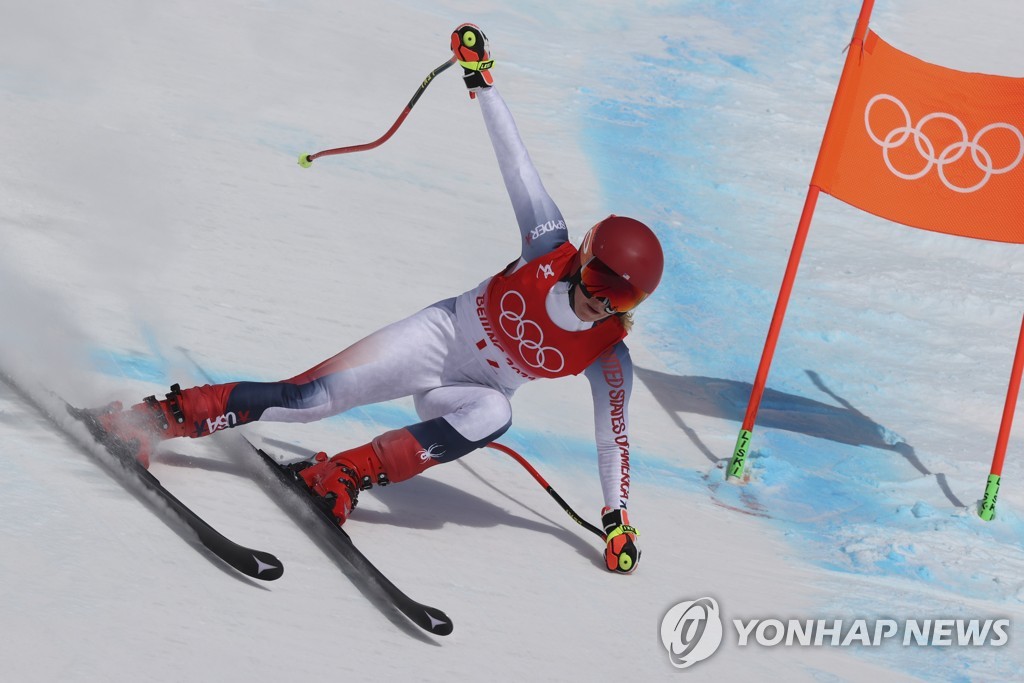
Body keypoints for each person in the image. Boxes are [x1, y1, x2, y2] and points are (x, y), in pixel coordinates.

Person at [97, 24, 663, 575]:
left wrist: (618, 521)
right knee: (308, 400)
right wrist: (481, 80)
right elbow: (515, 163)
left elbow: (613, 436)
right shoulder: (547, 242)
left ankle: (341, 475)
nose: (602, 303)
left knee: (498, 413)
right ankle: (151, 420)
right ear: (583, 259)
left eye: (623, 296)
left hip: (469, 394)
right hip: (439, 337)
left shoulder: (609, 355)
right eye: (599, 283)